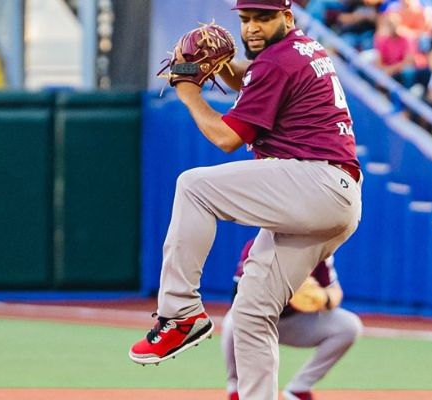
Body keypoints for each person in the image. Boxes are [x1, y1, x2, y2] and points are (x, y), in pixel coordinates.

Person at [129, 1, 363, 399]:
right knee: (252, 313)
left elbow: (225, 138)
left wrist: (188, 92)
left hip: (315, 181)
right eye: (245, 19)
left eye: (263, 17)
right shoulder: (302, 49)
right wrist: (218, 67)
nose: (252, 27)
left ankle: (180, 314)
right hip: (334, 200)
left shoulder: (277, 61)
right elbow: (254, 80)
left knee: (194, 186)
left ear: (286, 18)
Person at [223, 240, 362, 400]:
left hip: (296, 321)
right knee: (233, 319)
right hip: (260, 320)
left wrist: (324, 298)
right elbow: (236, 296)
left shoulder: (318, 248)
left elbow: (335, 291)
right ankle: (237, 388)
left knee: (349, 326)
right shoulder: (259, 245)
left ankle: (299, 388)